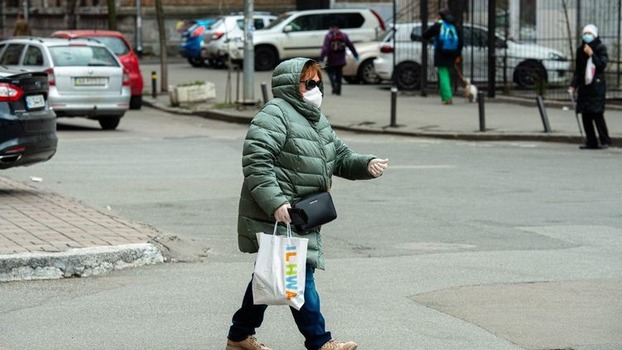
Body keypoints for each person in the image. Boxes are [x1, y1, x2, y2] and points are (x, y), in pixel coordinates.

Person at [225, 57, 389, 350]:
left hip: (303, 214)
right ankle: (320, 342)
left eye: (318, 82)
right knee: (299, 276)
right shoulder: (275, 114)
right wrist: (275, 202)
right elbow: (256, 161)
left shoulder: (315, 117)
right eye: (309, 83)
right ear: (292, 85)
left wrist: (365, 165)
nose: (316, 89)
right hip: (280, 214)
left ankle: (239, 336)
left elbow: (338, 156)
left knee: (269, 274)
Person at [568, 24, 611, 149]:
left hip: (596, 86)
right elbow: (578, 70)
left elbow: (601, 65)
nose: (587, 36)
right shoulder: (580, 50)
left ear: (595, 35)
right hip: (584, 86)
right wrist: (573, 85)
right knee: (586, 114)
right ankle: (591, 141)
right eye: (585, 33)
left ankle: (604, 140)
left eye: (589, 33)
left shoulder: (600, 48)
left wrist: (592, 54)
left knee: (597, 113)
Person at [422, 9, 463, 105]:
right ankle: (445, 94)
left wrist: (433, 38)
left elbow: (425, 35)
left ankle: (447, 97)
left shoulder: (438, 26)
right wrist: (457, 54)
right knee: (448, 74)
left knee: (443, 74)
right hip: (453, 53)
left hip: (441, 53)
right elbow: (461, 42)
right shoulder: (456, 26)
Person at [319, 22, 359, 96]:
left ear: (330, 27)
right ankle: (339, 90)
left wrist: (321, 58)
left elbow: (325, 48)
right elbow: (350, 45)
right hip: (341, 59)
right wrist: (356, 55)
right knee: (339, 74)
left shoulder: (328, 36)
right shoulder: (344, 35)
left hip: (331, 58)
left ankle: (334, 86)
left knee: (330, 72)